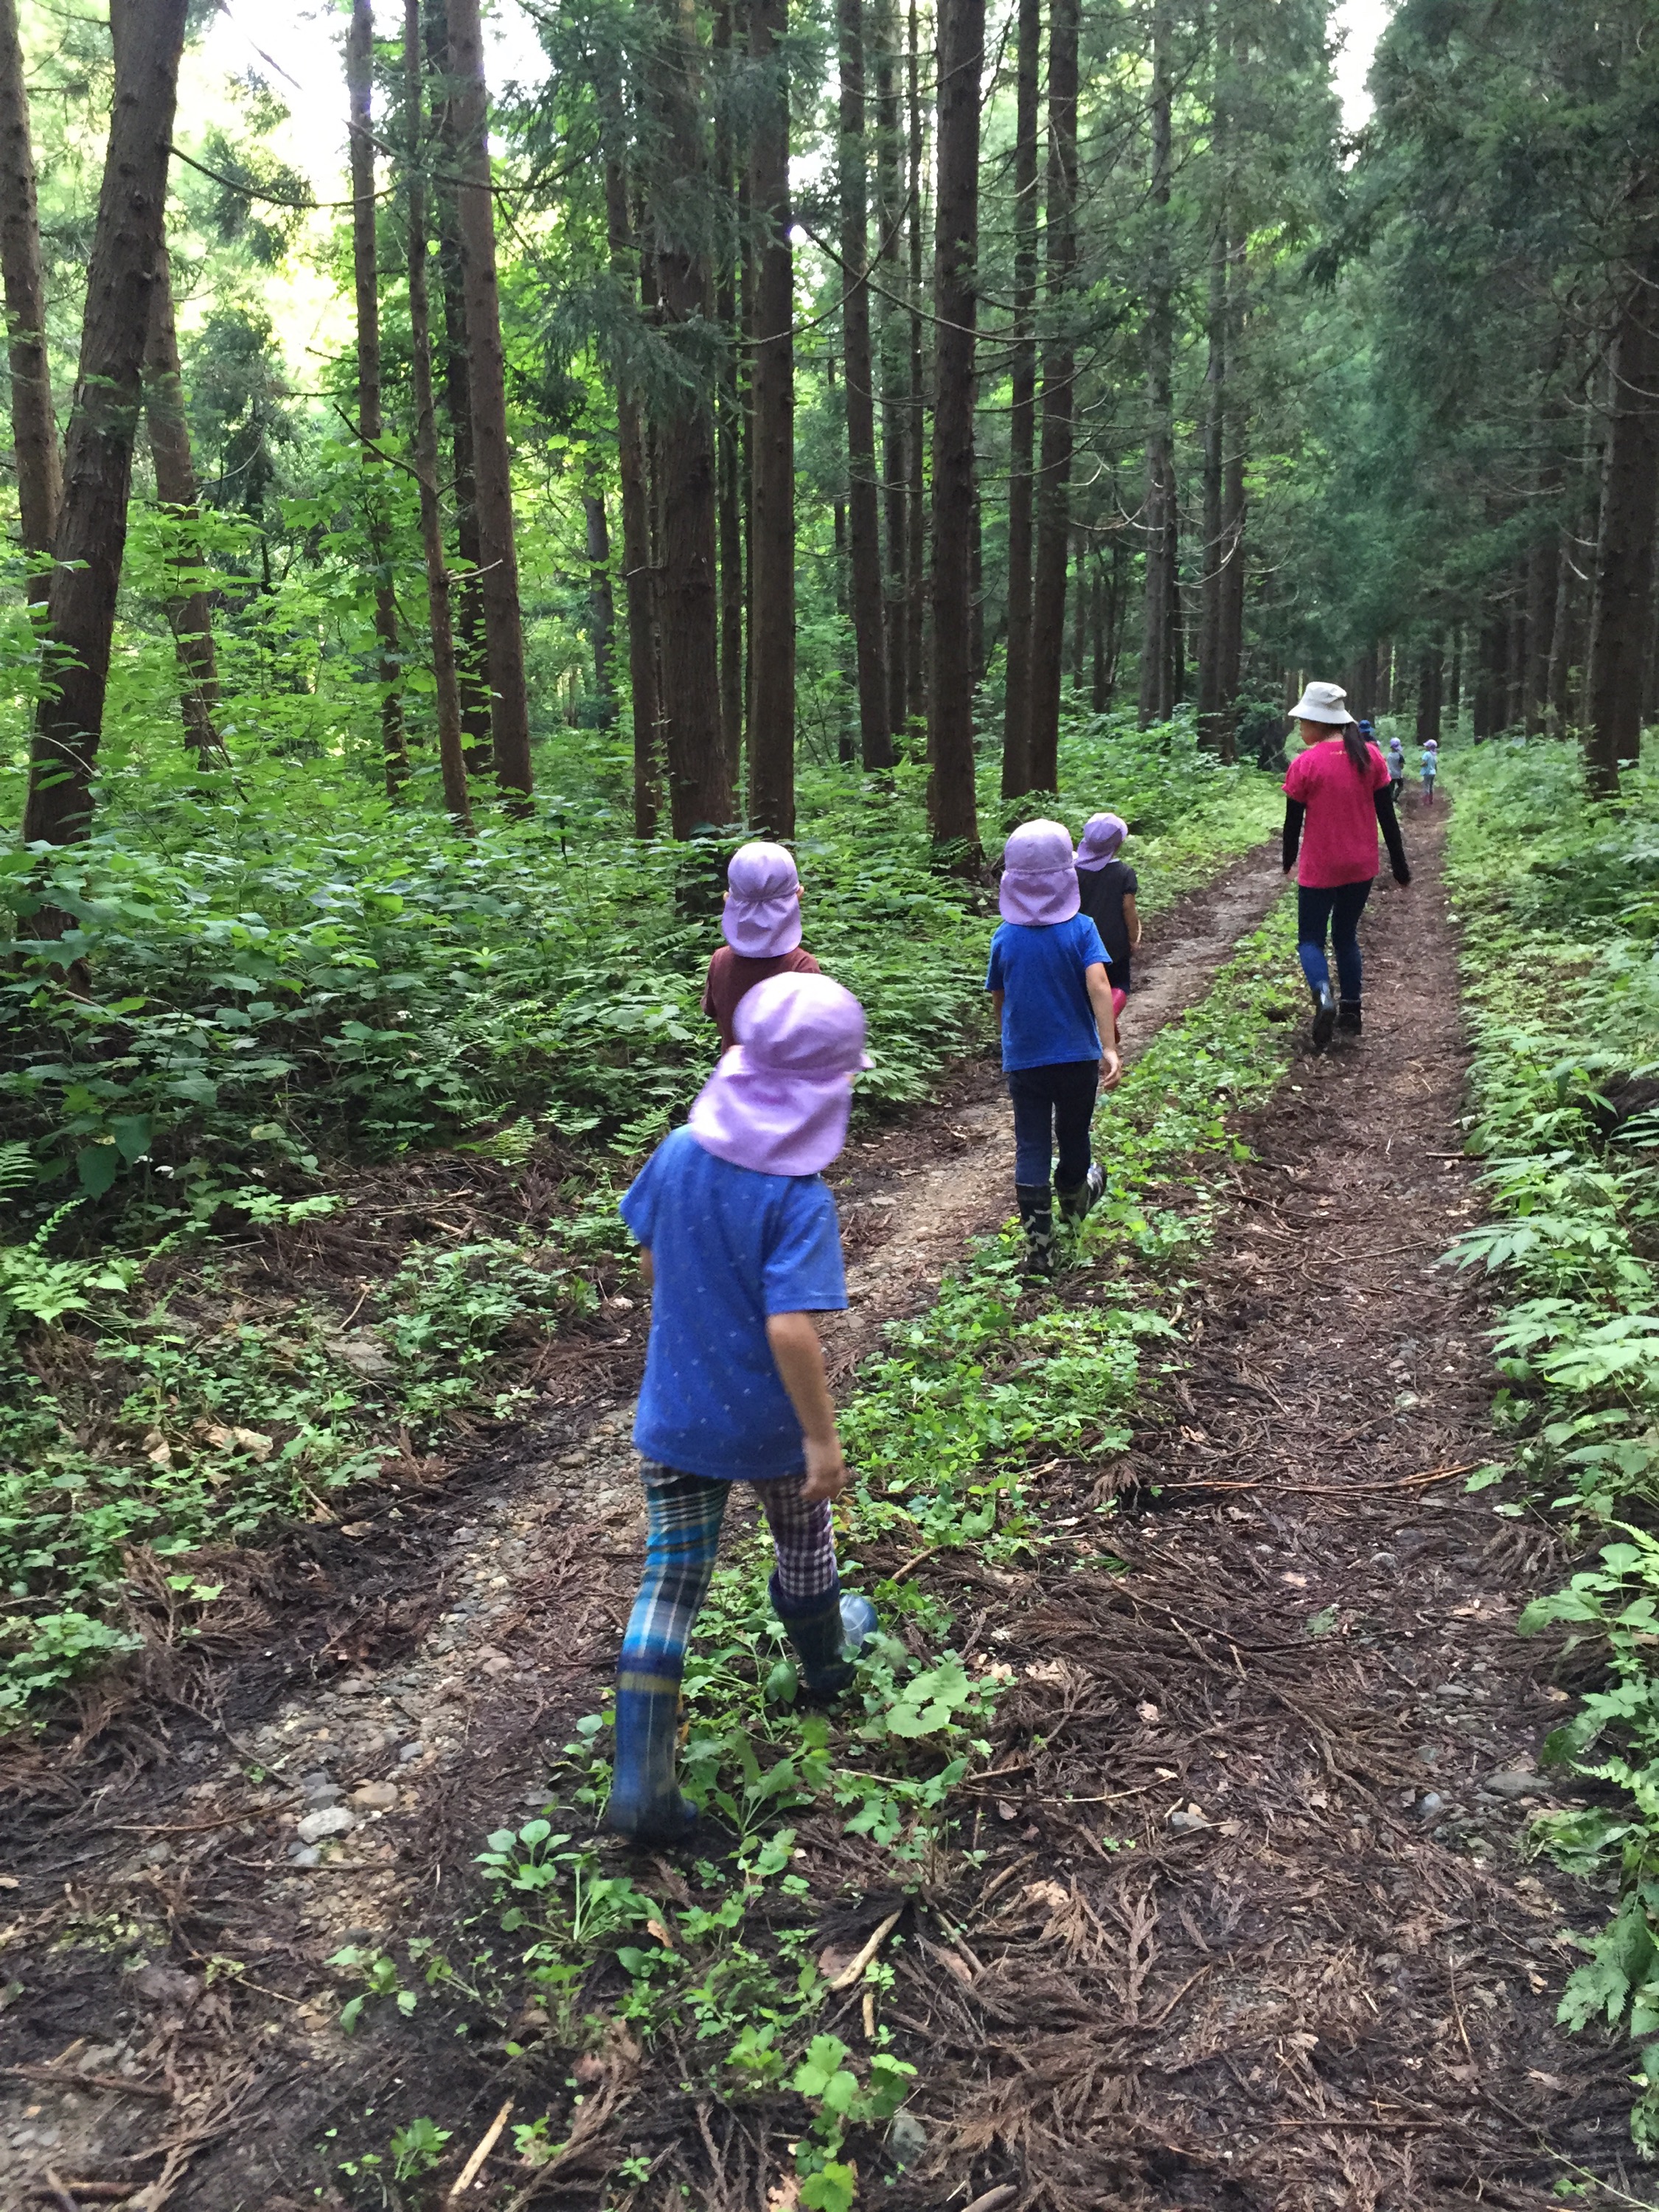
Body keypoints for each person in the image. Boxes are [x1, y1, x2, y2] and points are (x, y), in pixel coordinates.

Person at [610, 972, 877, 1845]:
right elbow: (790, 1327)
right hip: (770, 1430)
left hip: (676, 1414)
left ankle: (641, 1781)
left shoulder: (678, 1151)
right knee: (803, 1541)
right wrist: (820, 1440)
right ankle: (826, 1669)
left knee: (671, 1579)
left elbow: (651, 1263)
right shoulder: (798, 1198)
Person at [986, 819, 1122, 1279]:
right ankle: (1074, 1196)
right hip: (1077, 1058)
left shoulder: (1004, 937)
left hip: (1026, 1061)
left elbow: (1000, 998)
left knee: (1031, 1143)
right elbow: (1099, 985)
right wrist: (1109, 1046)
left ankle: (1039, 1248)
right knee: (1074, 1133)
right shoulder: (1082, 930)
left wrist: (1008, 1040)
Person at [1281, 681, 1411, 1051]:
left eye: (1302, 722)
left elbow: (1292, 824)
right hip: (1360, 867)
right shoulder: (1371, 757)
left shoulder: (1305, 764)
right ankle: (1352, 1011)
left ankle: (1324, 996)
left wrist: (1287, 861)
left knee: (1310, 939)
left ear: (1317, 722)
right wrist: (1399, 864)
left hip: (1320, 868)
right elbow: (1387, 818)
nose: (1300, 728)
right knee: (1345, 936)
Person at [701, 841, 821, 1053]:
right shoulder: (803, 968)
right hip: (786, 1076)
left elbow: (713, 1012)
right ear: (798, 896)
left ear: (728, 899)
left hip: (731, 1074)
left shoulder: (720, 960)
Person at [1074, 812, 1140, 1022]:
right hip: (1114, 944)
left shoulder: (1073, 872)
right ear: (1118, 844)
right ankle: (1107, 1021)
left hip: (1082, 942)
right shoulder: (1124, 873)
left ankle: (1094, 1023)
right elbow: (1128, 908)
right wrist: (1133, 938)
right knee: (1119, 984)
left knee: (1086, 988)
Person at [1385, 730, 1406, 808]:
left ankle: (1390, 800)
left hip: (1390, 774)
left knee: (1391, 787)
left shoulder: (1389, 755)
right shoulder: (1400, 756)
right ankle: (1395, 797)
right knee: (1401, 786)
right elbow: (1401, 766)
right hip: (1398, 774)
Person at [1421, 735, 1439, 804]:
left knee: (1426, 786)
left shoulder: (1426, 754)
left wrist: (1421, 765)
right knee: (1431, 786)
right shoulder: (1435, 755)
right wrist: (1436, 771)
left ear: (1429, 747)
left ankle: (1425, 801)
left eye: (1427, 746)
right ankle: (1431, 800)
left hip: (1427, 772)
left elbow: (1425, 763)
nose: (1426, 747)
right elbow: (1435, 765)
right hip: (1433, 772)